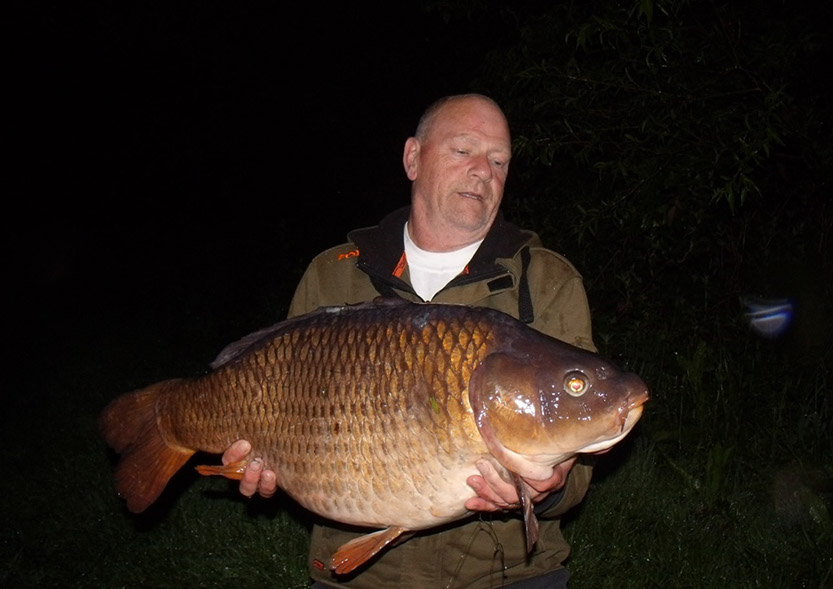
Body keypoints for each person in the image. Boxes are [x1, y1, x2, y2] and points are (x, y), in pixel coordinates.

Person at [223, 93, 598, 588]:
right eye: (463, 150)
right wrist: (267, 462)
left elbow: (580, 461)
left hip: (505, 576)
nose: (483, 171)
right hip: (361, 579)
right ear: (413, 158)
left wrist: (553, 485)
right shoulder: (334, 274)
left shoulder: (546, 281)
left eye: (499, 160)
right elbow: (281, 405)